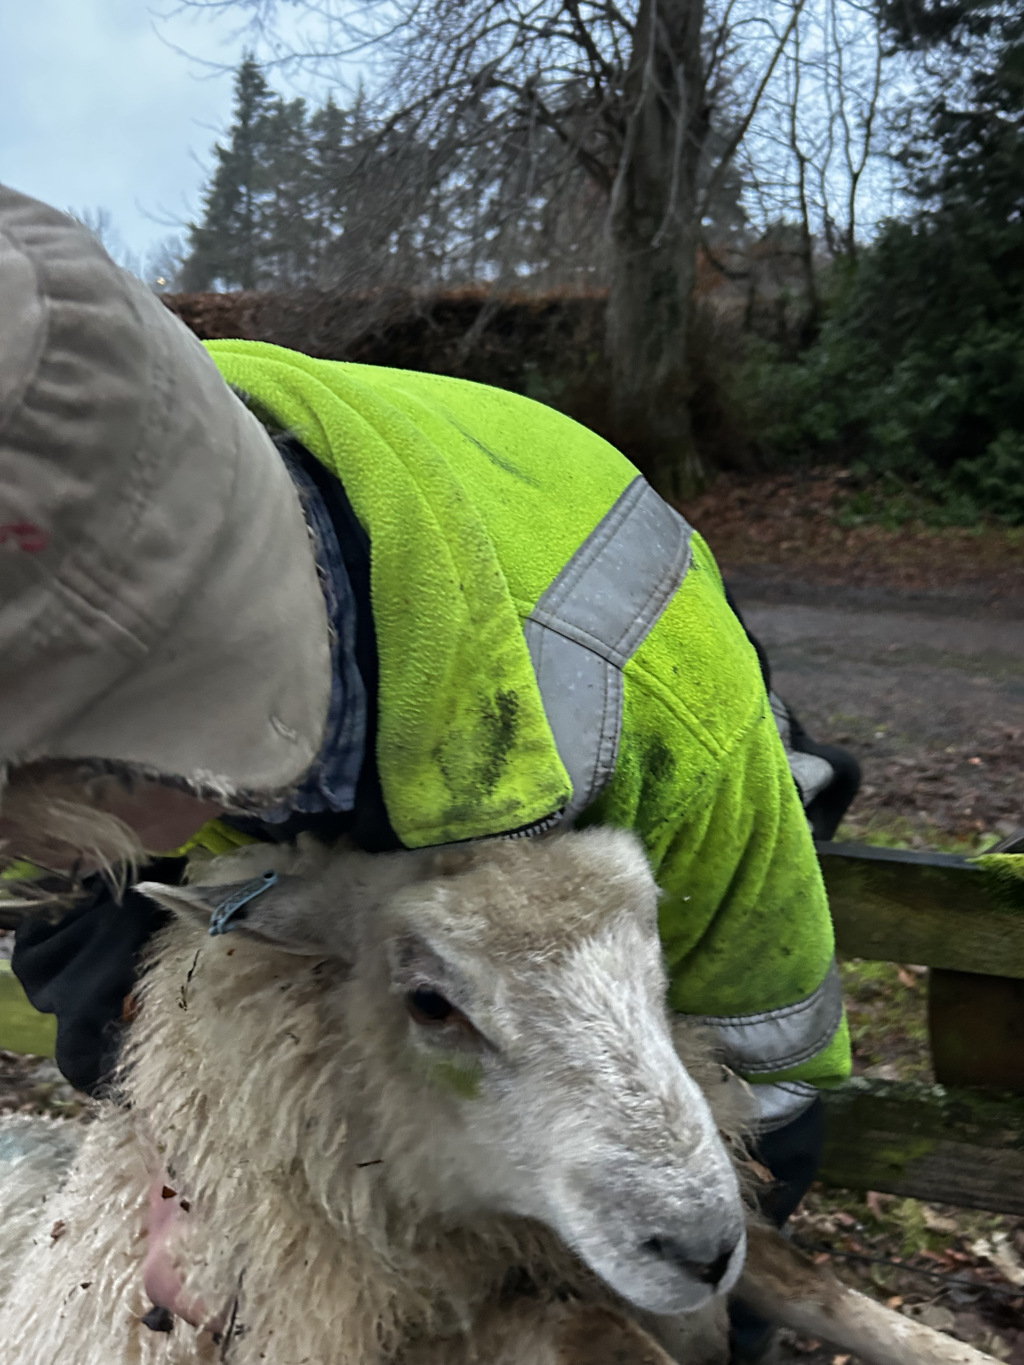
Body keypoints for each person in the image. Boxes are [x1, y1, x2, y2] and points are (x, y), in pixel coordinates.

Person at [0, 186, 858, 1363]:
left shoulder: (641, 707)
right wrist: (186, 1165)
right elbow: (86, 923)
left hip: (614, 728)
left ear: (169, 717)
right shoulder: (79, 477)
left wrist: (701, 1313)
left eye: (70, 792)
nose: (49, 843)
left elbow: (764, 1064)